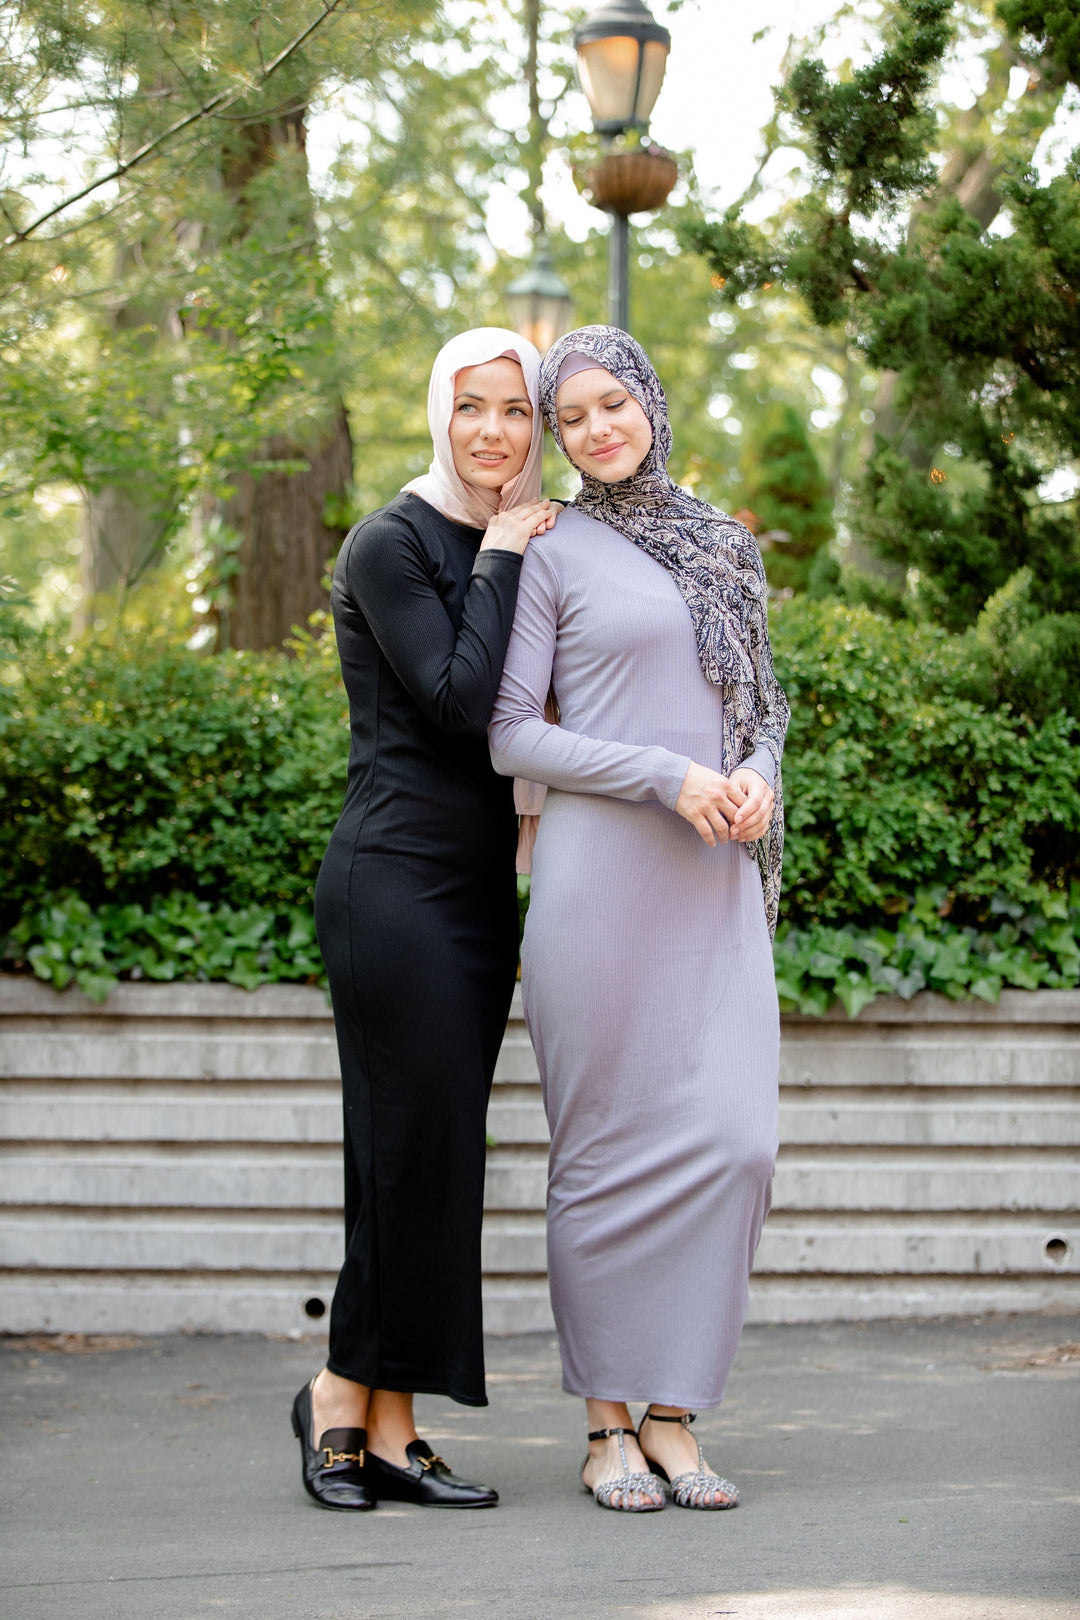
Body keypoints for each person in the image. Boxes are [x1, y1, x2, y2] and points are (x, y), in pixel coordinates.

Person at [488, 325, 790, 1514]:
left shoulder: (724, 545)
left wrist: (756, 771)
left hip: (714, 881)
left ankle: (675, 1413)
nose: (598, 428)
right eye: (573, 417)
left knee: (737, 1143)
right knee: (601, 1154)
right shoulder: (556, 548)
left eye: (615, 402)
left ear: (651, 402)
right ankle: (608, 1424)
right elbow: (513, 733)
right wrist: (665, 776)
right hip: (600, 879)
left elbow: (758, 705)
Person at [292, 328, 555, 1512]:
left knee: (436, 1156)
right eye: (471, 407)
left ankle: (391, 1424)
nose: (493, 431)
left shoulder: (534, 531)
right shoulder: (392, 539)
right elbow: (456, 704)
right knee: (398, 1150)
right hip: (391, 881)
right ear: (437, 415)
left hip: (476, 892)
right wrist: (501, 551)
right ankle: (341, 1393)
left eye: (514, 409)